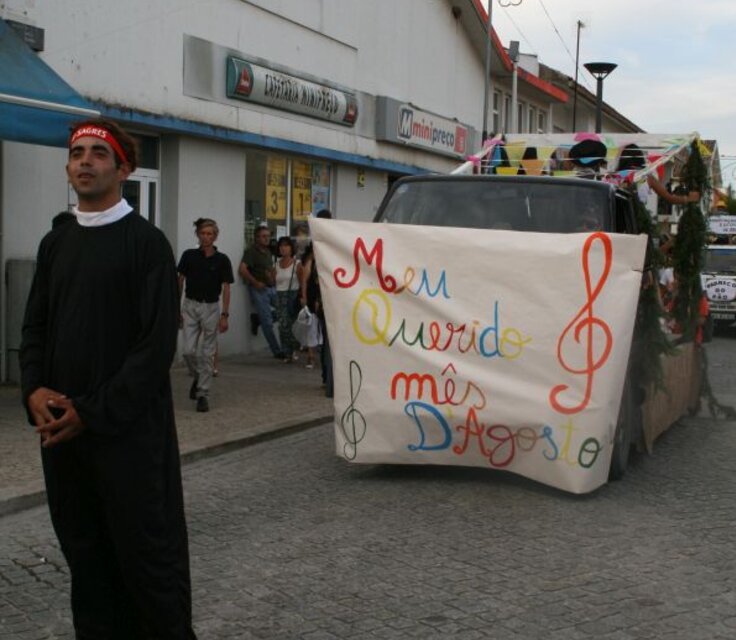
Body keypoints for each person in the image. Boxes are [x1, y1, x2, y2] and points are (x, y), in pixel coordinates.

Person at [19, 119, 197, 638]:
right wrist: (33, 389)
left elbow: (154, 348)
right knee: (87, 564)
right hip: (64, 438)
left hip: (130, 439)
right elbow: (34, 326)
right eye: (77, 153)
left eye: (99, 153)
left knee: (148, 566)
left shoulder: (147, 244)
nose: (85, 161)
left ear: (124, 169)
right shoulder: (55, 243)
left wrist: (93, 411)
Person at [177, 217, 233, 412]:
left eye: (209, 234)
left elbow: (226, 288)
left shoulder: (222, 260)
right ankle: (199, 377)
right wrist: (176, 307)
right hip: (190, 305)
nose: (206, 237)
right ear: (197, 234)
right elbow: (180, 281)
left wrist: (225, 314)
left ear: (215, 236)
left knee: (207, 353)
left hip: (211, 307)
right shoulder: (189, 255)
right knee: (188, 351)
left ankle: (203, 394)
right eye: (202, 233)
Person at [301, 209, 334, 397]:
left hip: (326, 301)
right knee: (326, 340)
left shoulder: (325, 244)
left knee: (328, 341)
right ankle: (327, 377)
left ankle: (328, 377)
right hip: (322, 302)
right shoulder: (317, 248)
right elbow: (307, 277)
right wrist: (307, 298)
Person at [239, 225, 283, 358]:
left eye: (268, 236)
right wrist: (255, 282)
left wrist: (273, 277)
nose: (266, 239)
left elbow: (269, 270)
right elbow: (242, 269)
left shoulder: (268, 252)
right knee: (267, 323)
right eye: (263, 236)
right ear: (257, 238)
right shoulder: (251, 252)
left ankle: (258, 319)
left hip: (271, 288)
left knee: (284, 312)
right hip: (259, 290)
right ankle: (277, 351)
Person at [273, 235, 302, 363]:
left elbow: (302, 282)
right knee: (282, 325)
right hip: (279, 296)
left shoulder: (297, 264)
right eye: (281, 246)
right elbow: (272, 282)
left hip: (292, 296)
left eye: (286, 245)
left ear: (291, 248)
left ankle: (291, 350)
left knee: (290, 324)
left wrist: (303, 296)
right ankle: (289, 350)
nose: (283, 248)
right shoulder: (276, 264)